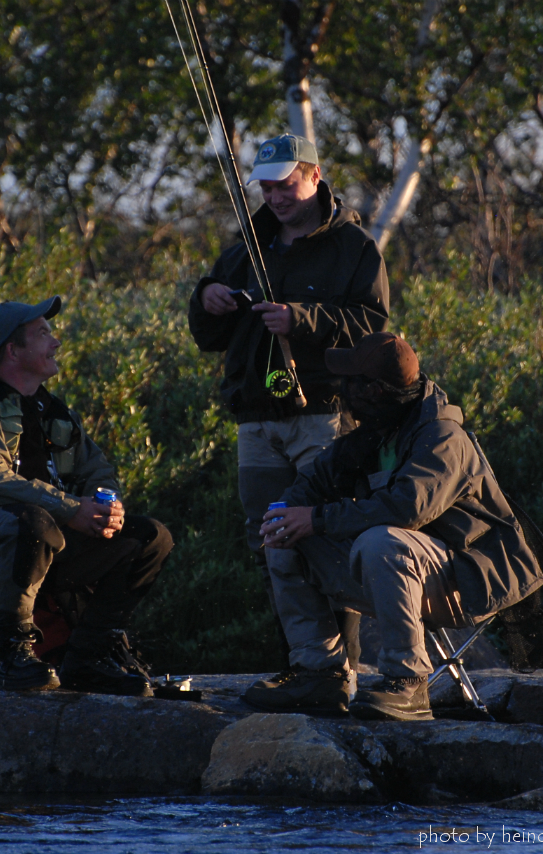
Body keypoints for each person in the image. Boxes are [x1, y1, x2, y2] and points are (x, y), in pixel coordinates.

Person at [243, 332, 543, 720]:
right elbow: (314, 481)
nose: (343, 389)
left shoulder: (442, 437)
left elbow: (407, 508)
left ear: (375, 390)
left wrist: (316, 519)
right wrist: (288, 510)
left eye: (352, 381)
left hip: (467, 579)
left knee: (380, 541)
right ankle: (321, 675)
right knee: (285, 536)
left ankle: (409, 682)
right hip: (408, 573)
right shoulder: (375, 431)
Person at [189, 133, 389, 680]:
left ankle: (340, 671)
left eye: (285, 185)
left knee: (323, 538)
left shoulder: (354, 247)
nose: (274, 197)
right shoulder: (245, 249)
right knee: (270, 544)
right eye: (266, 188)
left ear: (314, 175)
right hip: (256, 420)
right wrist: (206, 299)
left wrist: (302, 320)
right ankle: (302, 667)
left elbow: (374, 329)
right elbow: (208, 336)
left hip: (324, 414)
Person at [0, 296, 173, 694]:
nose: (56, 342)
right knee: (31, 523)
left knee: (149, 537)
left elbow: (97, 469)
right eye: (44, 334)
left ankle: (90, 656)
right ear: (13, 351)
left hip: (42, 537)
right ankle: (7, 655)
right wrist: (70, 509)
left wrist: (107, 508)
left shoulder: (53, 410)